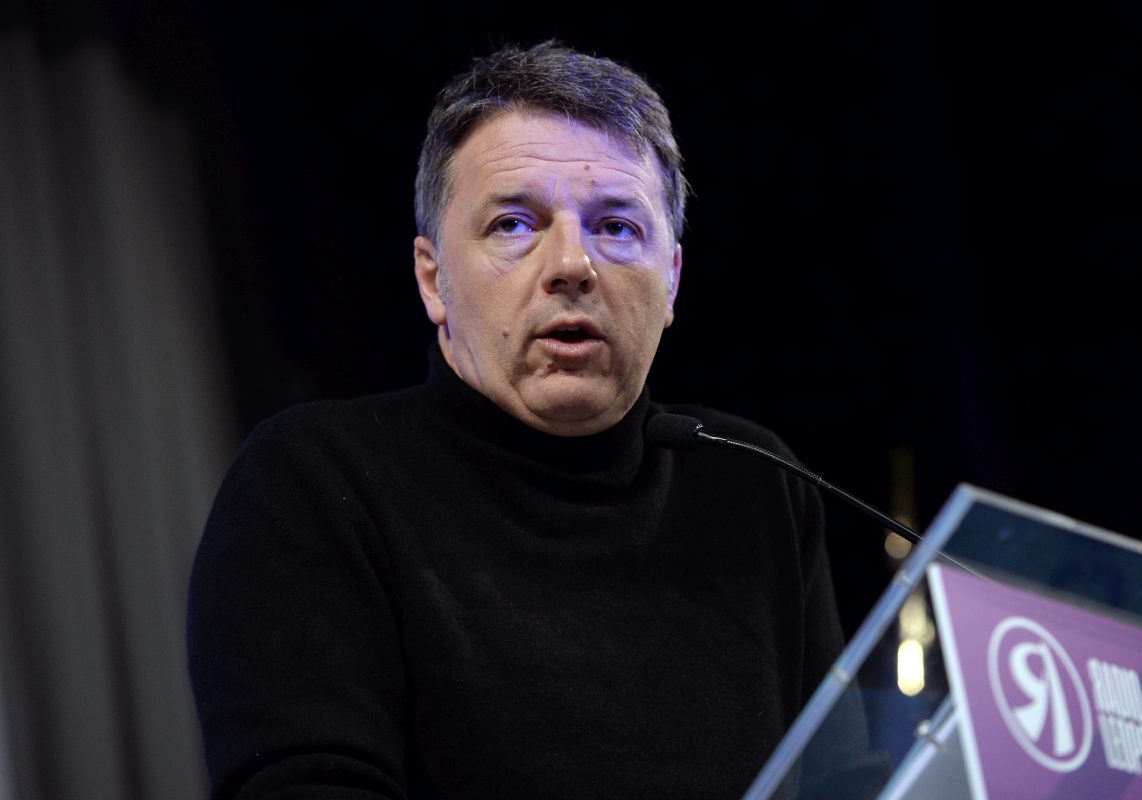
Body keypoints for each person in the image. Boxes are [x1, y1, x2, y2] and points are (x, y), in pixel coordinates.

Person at [188, 41, 855, 798]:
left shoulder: (754, 482)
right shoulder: (313, 483)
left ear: (671, 281)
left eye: (617, 227)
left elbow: (842, 785)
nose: (573, 265)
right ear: (433, 279)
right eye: (513, 224)